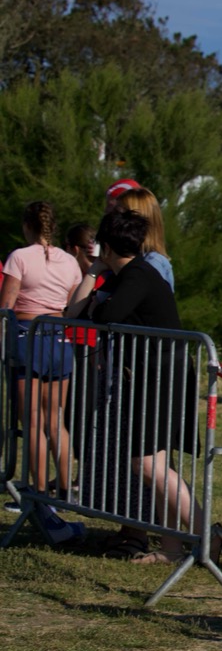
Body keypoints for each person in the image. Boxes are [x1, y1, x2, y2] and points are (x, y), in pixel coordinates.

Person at [87, 209, 222, 565]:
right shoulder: (133, 273)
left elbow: (106, 316)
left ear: (106, 248)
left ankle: (208, 535)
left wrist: (95, 287)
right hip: (156, 373)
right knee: (158, 465)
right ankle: (171, 548)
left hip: (162, 375)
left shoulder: (136, 274)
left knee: (148, 465)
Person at [1, 201, 81, 499]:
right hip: (59, 338)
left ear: (27, 226)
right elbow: (72, 304)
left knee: (33, 421)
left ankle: (38, 494)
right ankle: (64, 490)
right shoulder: (69, 261)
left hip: (27, 337)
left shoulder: (19, 257)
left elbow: (6, 306)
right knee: (56, 420)